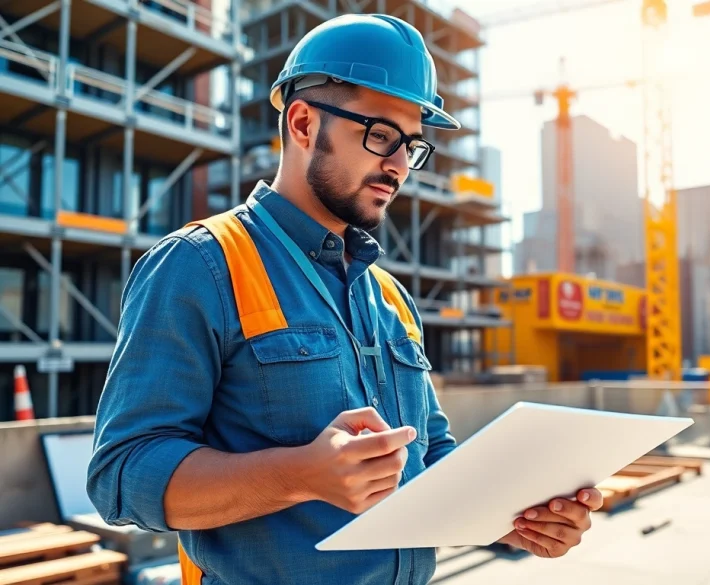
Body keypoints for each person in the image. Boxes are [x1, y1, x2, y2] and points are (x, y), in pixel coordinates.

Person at [86, 13, 602, 585]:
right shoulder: (200, 265)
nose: (400, 165)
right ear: (304, 123)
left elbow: (428, 458)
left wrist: (513, 515)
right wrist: (300, 475)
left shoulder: (390, 297)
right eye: (381, 135)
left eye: (413, 145)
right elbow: (120, 476)